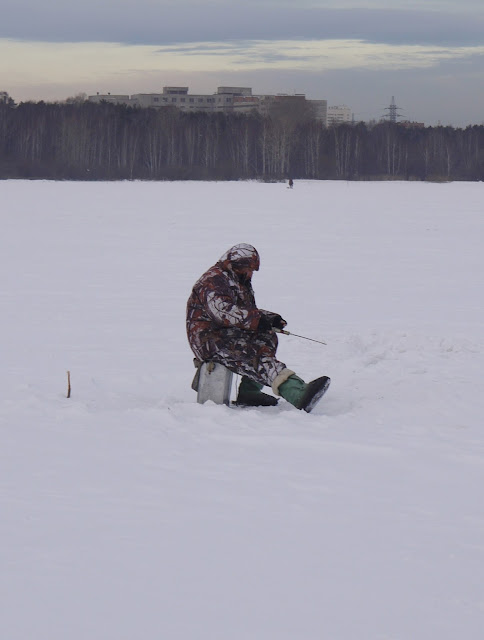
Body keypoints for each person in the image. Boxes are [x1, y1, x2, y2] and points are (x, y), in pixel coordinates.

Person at [186, 244, 330, 412]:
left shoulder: (238, 281)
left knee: (266, 337)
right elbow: (224, 312)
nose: (250, 274)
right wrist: (257, 320)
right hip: (210, 340)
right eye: (249, 269)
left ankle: (249, 392)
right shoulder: (213, 281)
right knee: (252, 352)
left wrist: (269, 319)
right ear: (237, 265)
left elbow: (245, 310)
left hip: (228, 333)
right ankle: (295, 391)